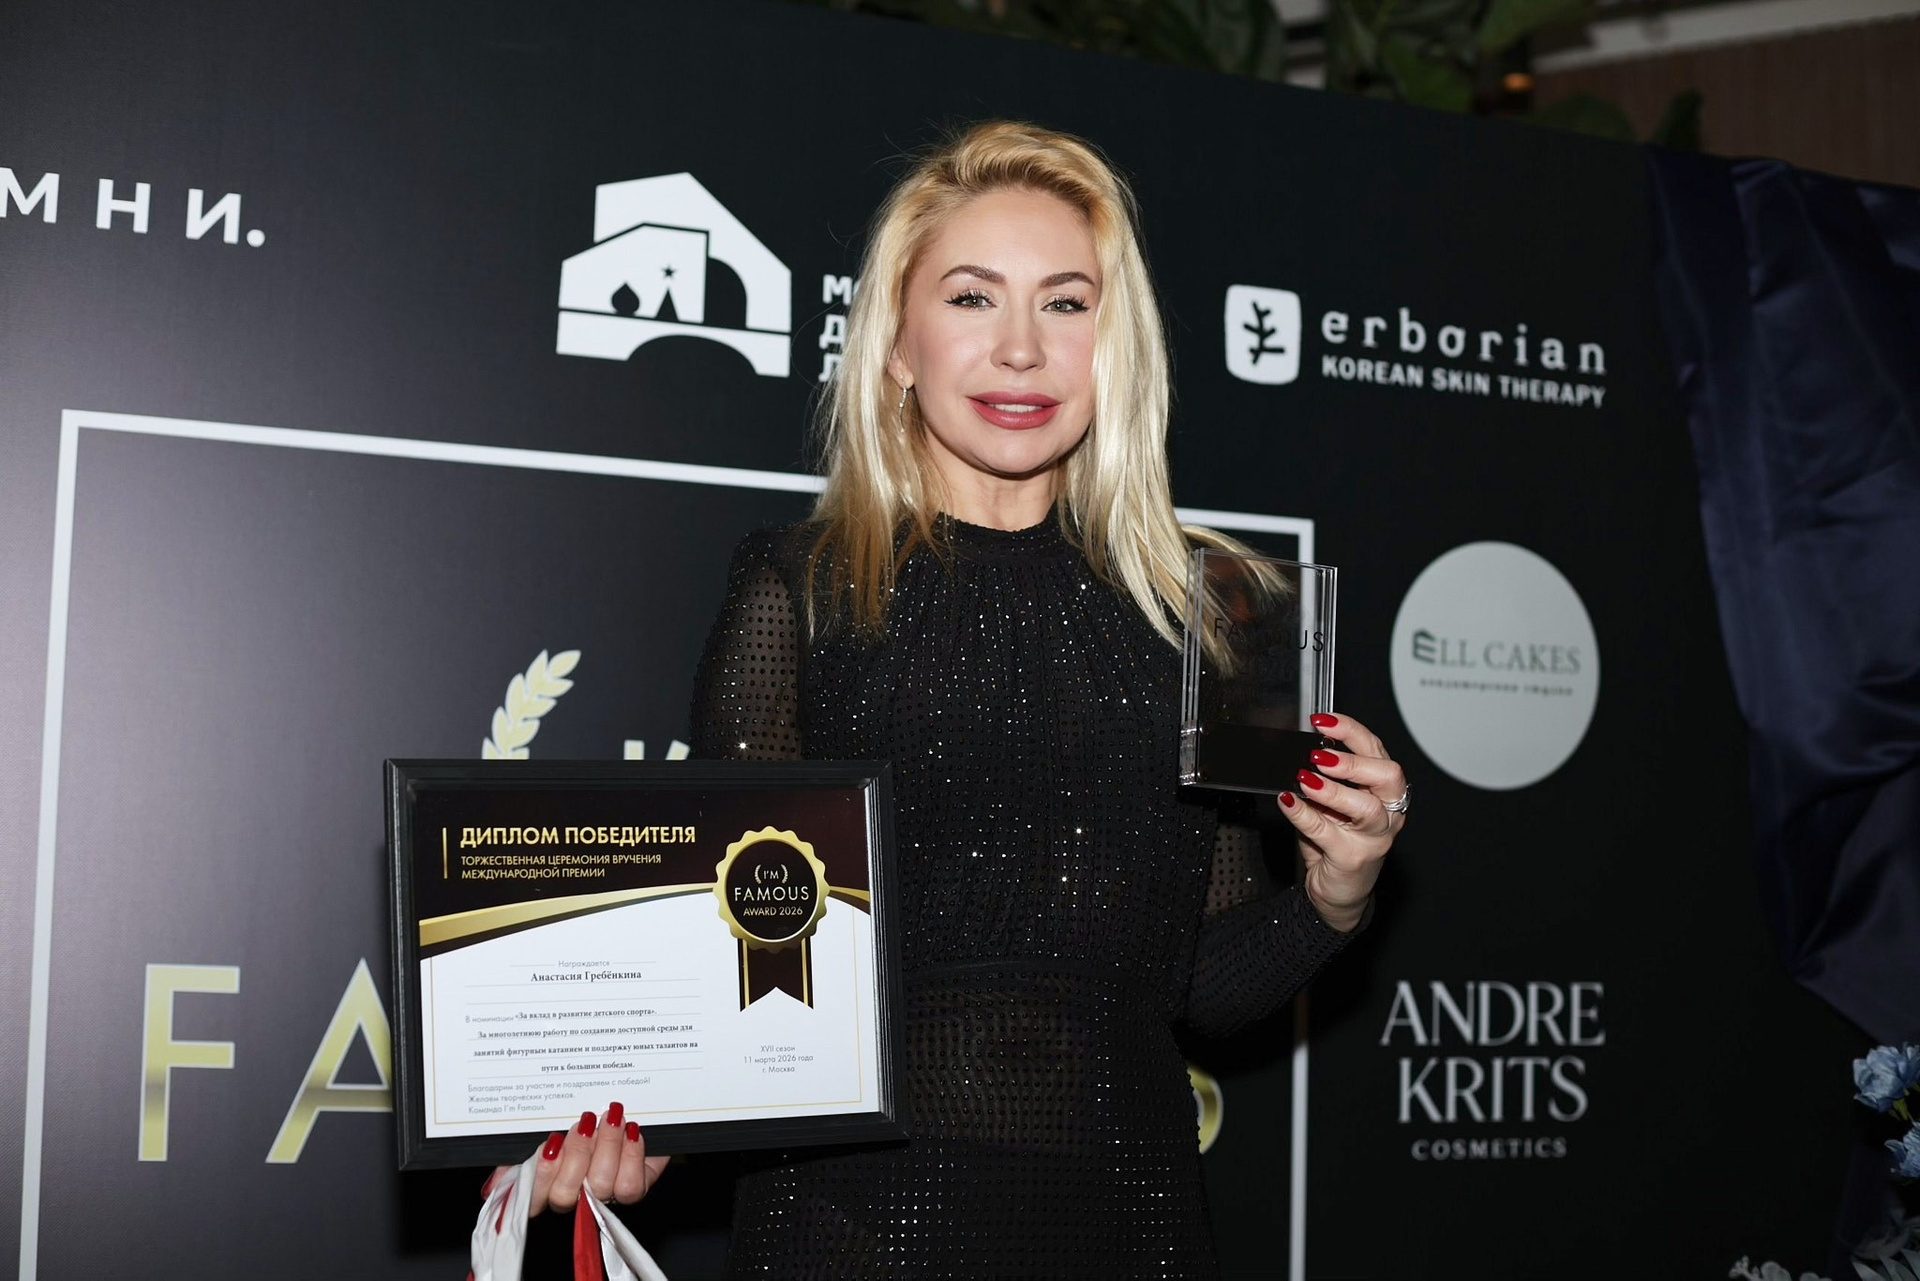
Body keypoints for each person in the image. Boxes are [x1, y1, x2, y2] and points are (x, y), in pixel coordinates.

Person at [507, 120, 1406, 1277]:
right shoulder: (801, 592)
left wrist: (1335, 892)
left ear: (1115, 347)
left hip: (1129, 1230)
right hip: (850, 1233)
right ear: (897, 344)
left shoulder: (1212, 614)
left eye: (1067, 303)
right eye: (973, 298)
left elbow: (1202, 990)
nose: (1021, 350)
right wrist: (647, 1117)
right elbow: (737, 940)